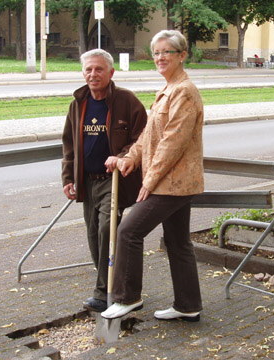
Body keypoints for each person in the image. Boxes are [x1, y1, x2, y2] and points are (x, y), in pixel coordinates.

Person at [101, 30, 204, 322]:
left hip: (172, 182)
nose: (159, 57)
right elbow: (150, 135)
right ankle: (188, 304)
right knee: (178, 242)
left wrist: (149, 181)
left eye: (166, 52)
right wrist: (130, 158)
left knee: (128, 231)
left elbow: (173, 142)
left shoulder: (183, 91)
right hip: (175, 182)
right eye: (156, 52)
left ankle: (127, 297)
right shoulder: (169, 88)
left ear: (182, 55)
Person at [61, 49, 147, 313]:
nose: (93, 74)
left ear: (111, 72)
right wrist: (68, 177)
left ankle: (106, 292)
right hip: (88, 181)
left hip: (115, 180)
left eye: (99, 69)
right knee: (93, 235)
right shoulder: (78, 104)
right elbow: (69, 145)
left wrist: (120, 157)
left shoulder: (126, 101)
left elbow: (143, 138)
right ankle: (111, 285)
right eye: (88, 69)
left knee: (107, 231)